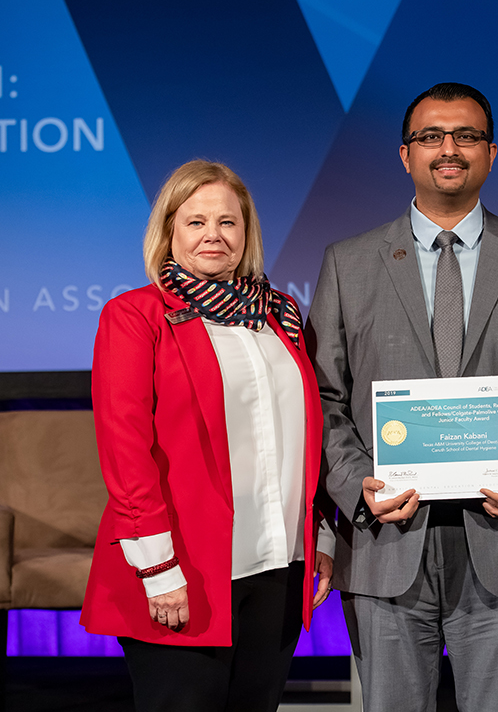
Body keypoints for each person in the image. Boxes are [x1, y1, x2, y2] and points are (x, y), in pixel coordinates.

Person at [306, 82, 498, 712]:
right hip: (386, 543)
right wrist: (359, 486)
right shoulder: (347, 263)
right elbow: (323, 397)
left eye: (466, 136)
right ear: (405, 156)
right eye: (431, 136)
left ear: (491, 153)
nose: (449, 148)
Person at [80, 159, 334, 711]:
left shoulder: (282, 315)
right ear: (169, 231)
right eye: (195, 222)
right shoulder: (135, 316)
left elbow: (306, 435)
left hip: (280, 565)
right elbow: (126, 453)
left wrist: (320, 536)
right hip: (183, 569)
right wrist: (156, 567)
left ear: (247, 233)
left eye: (228, 222)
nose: (213, 235)